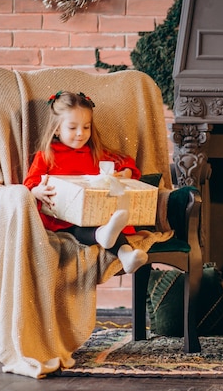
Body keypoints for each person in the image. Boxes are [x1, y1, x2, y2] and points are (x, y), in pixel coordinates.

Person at [23, 91, 148, 274]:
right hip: (62, 219)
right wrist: (37, 191)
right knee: (84, 229)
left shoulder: (94, 152)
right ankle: (108, 239)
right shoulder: (47, 154)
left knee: (108, 223)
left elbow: (126, 161)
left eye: (86, 127)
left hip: (94, 214)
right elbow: (29, 183)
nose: (81, 134)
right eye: (72, 128)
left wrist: (125, 172)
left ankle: (126, 255)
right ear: (57, 129)